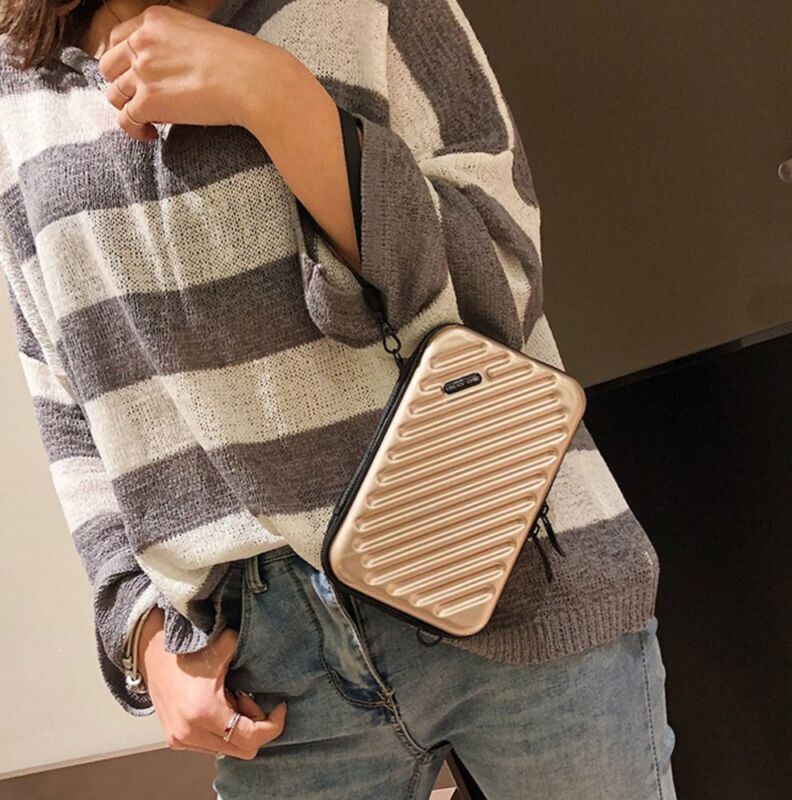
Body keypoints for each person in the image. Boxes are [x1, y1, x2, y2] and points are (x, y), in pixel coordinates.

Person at [0, 0, 677, 796]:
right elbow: (64, 394)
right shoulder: (19, 87)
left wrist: (280, 99)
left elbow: (504, 274)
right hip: (270, 672)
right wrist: (144, 636)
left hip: (496, 554)